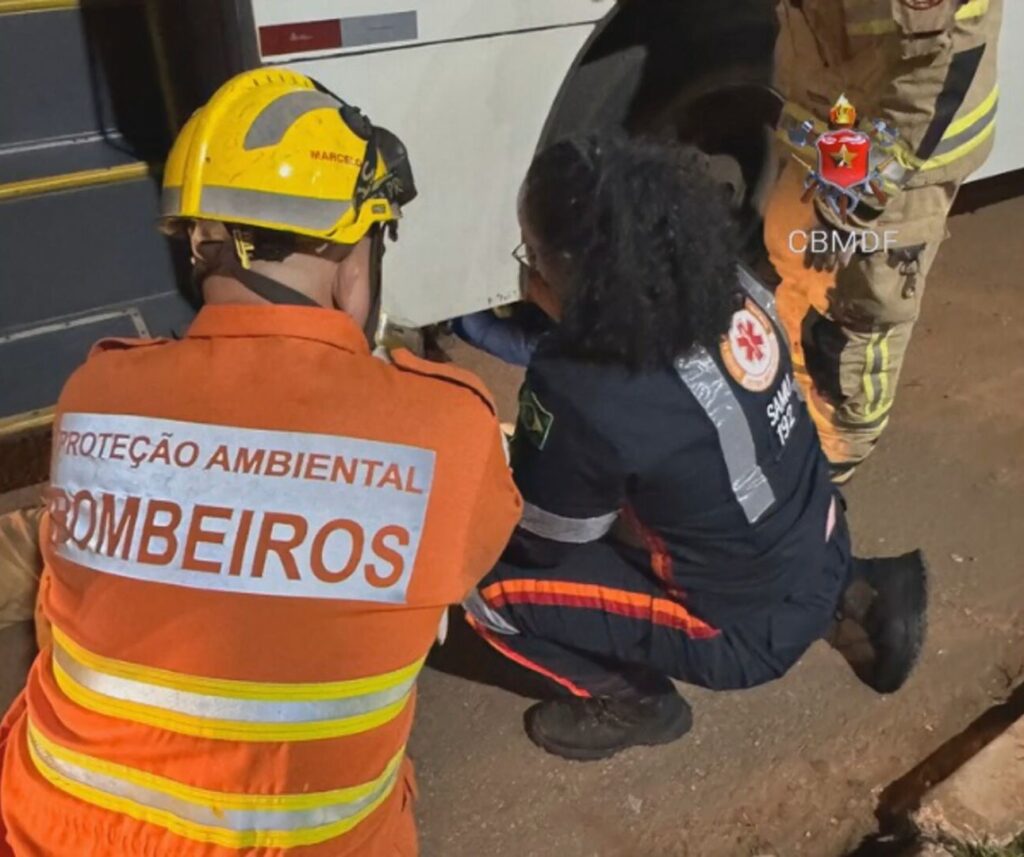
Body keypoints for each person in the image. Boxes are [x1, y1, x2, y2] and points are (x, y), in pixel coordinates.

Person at [0, 68, 522, 856]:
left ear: (201, 249)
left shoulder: (96, 389)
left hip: (44, 828)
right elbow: (466, 560)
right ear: (353, 258)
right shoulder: (448, 426)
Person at [461, 133, 927, 762]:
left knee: (481, 583)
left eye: (534, 259)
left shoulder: (582, 393)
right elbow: (670, 395)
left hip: (740, 630)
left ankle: (636, 703)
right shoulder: (732, 286)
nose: (526, 272)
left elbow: (543, 542)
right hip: (818, 535)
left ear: (581, 276)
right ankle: (843, 595)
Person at [766, 0, 1002, 482]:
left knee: (865, 313)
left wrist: (852, 202)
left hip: (896, 160)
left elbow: (926, 88)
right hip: (834, 127)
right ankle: (795, 403)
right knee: (798, 276)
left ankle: (839, 451)